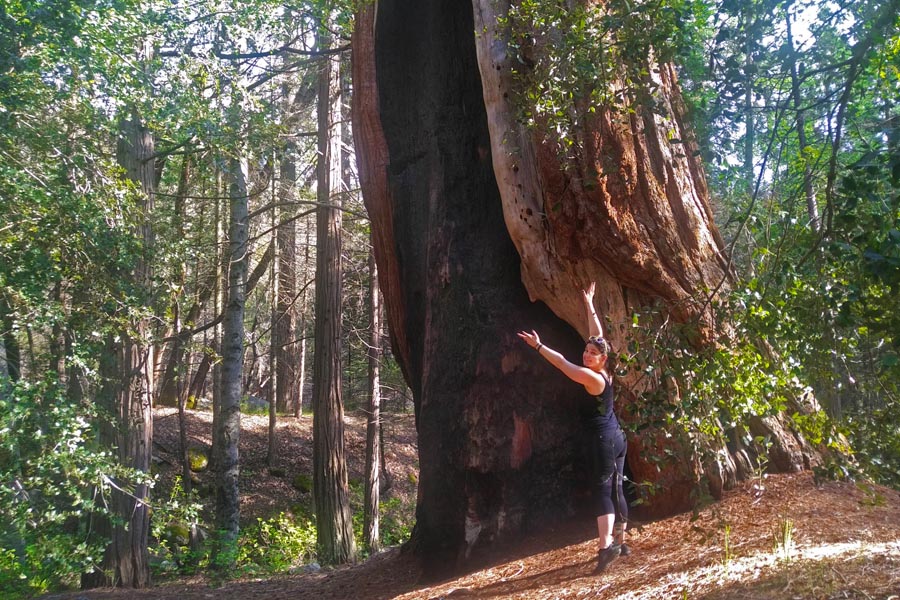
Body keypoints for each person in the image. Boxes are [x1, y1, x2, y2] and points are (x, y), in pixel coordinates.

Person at [516, 282, 629, 573]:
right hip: (617, 436)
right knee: (616, 486)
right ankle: (622, 541)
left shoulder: (593, 378)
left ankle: (605, 547)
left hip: (604, 439)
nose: (587, 355)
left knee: (603, 490)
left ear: (601, 359)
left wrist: (539, 346)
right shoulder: (606, 371)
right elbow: (598, 333)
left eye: (592, 353)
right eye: (587, 351)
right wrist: (589, 303)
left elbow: (564, 364)